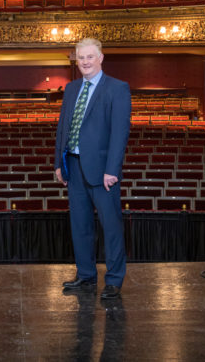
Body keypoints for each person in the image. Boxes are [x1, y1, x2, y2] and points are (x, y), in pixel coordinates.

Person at [54, 38, 131, 299]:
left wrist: (113, 169)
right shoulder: (72, 88)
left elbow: (120, 133)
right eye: (81, 57)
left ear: (100, 58)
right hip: (74, 167)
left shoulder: (117, 88)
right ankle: (86, 274)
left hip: (102, 171)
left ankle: (114, 279)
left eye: (90, 57)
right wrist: (59, 163)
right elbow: (63, 128)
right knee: (80, 225)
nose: (85, 61)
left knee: (110, 226)